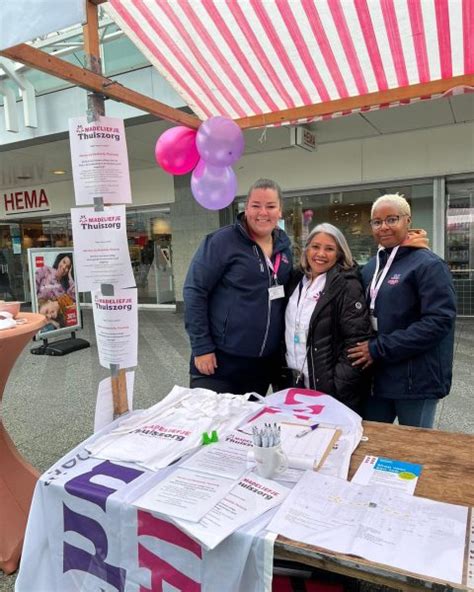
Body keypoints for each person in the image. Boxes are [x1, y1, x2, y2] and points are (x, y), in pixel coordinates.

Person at [348, 194, 456, 428]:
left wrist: (378, 348)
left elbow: (438, 322)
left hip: (416, 380)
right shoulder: (371, 267)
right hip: (378, 377)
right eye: (377, 222)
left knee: (414, 453)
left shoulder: (428, 265)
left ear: (408, 221)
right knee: (372, 446)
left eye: (392, 219)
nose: (383, 227)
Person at [183, 178, 292, 396]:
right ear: (246, 207)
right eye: (256, 205)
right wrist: (202, 347)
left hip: (261, 365)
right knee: (213, 427)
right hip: (220, 361)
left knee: (247, 427)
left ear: (280, 211)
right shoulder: (222, 241)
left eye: (270, 206)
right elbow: (195, 291)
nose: (263, 212)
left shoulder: (284, 247)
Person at [284, 223, 372, 413]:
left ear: (339, 253)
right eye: (315, 247)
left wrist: (335, 387)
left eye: (329, 249)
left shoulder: (347, 286)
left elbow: (356, 344)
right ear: (307, 250)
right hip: (295, 384)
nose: (321, 254)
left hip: (328, 391)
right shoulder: (296, 279)